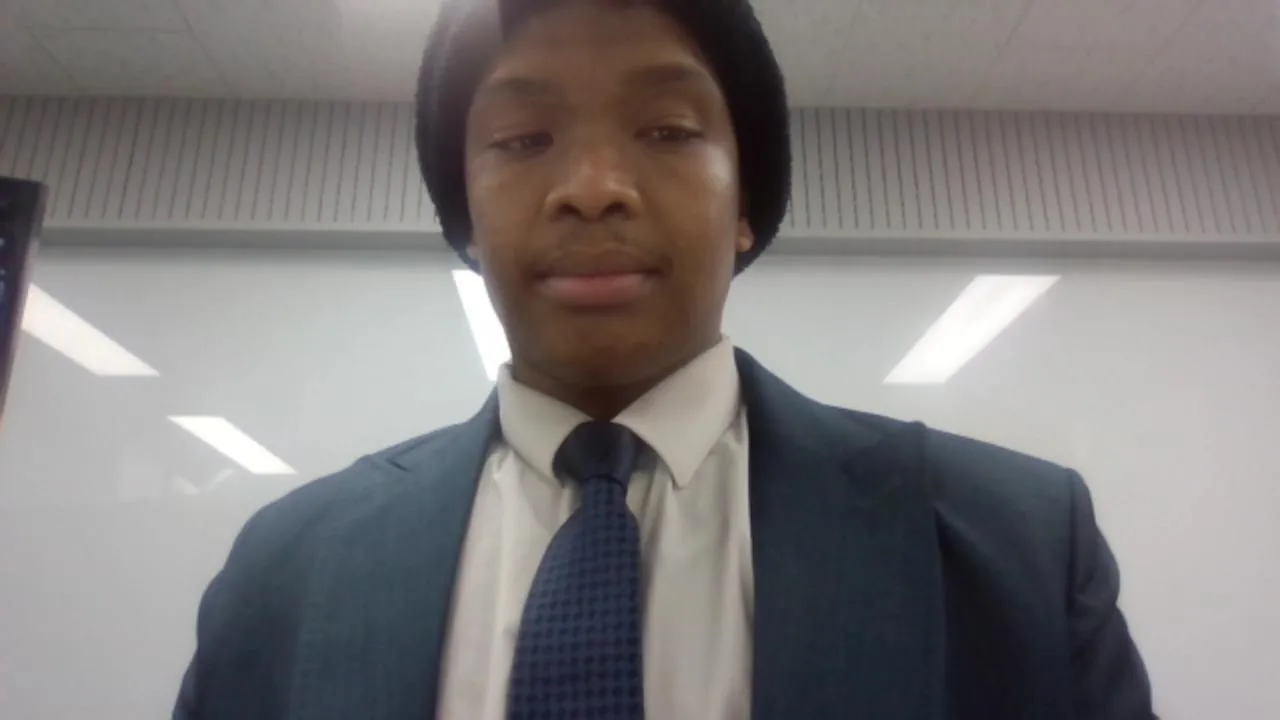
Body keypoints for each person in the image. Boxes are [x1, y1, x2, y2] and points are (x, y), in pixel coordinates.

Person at [173, 0, 1156, 718]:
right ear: (463, 219)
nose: (593, 187)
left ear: (745, 207)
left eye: (667, 131)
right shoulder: (284, 569)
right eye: (522, 139)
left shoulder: (1016, 547)